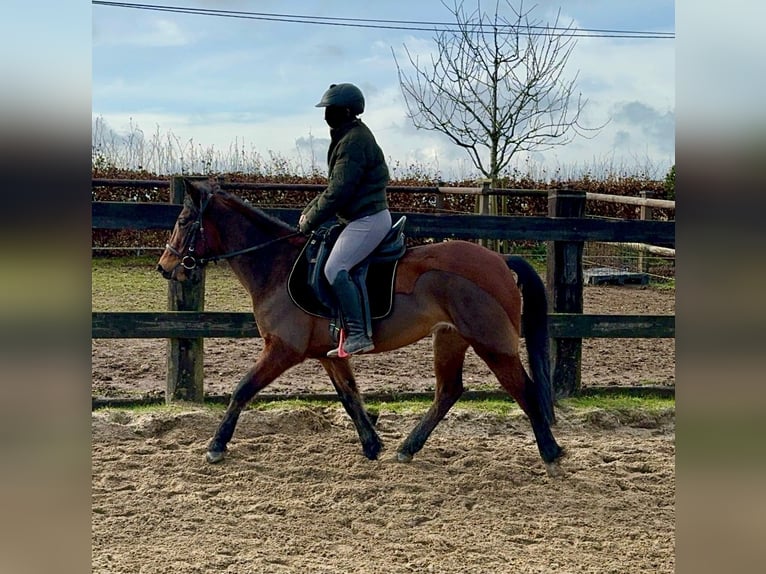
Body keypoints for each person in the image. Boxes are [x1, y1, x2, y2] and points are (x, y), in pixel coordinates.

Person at [298, 83, 392, 356]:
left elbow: (340, 190)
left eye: (331, 109)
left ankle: (360, 335)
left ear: (346, 111)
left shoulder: (353, 141)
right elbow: (333, 187)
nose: (326, 114)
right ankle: (342, 330)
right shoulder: (347, 135)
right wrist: (310, 211)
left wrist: (311, 219)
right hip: (358, 218)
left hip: (368, 218)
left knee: (335, 268)